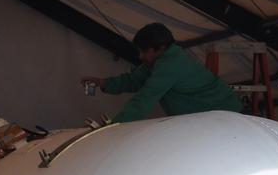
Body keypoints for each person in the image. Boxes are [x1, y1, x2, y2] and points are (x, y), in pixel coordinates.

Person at [81, 23, 241, 124]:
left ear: (161, 48)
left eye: (145, 51)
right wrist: (103, 83)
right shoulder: (156, 61)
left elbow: (145, 98)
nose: (140, 56)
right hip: (205, 118)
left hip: (225, 116)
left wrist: (116, 125)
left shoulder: (170, 65)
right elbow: (133, 80)